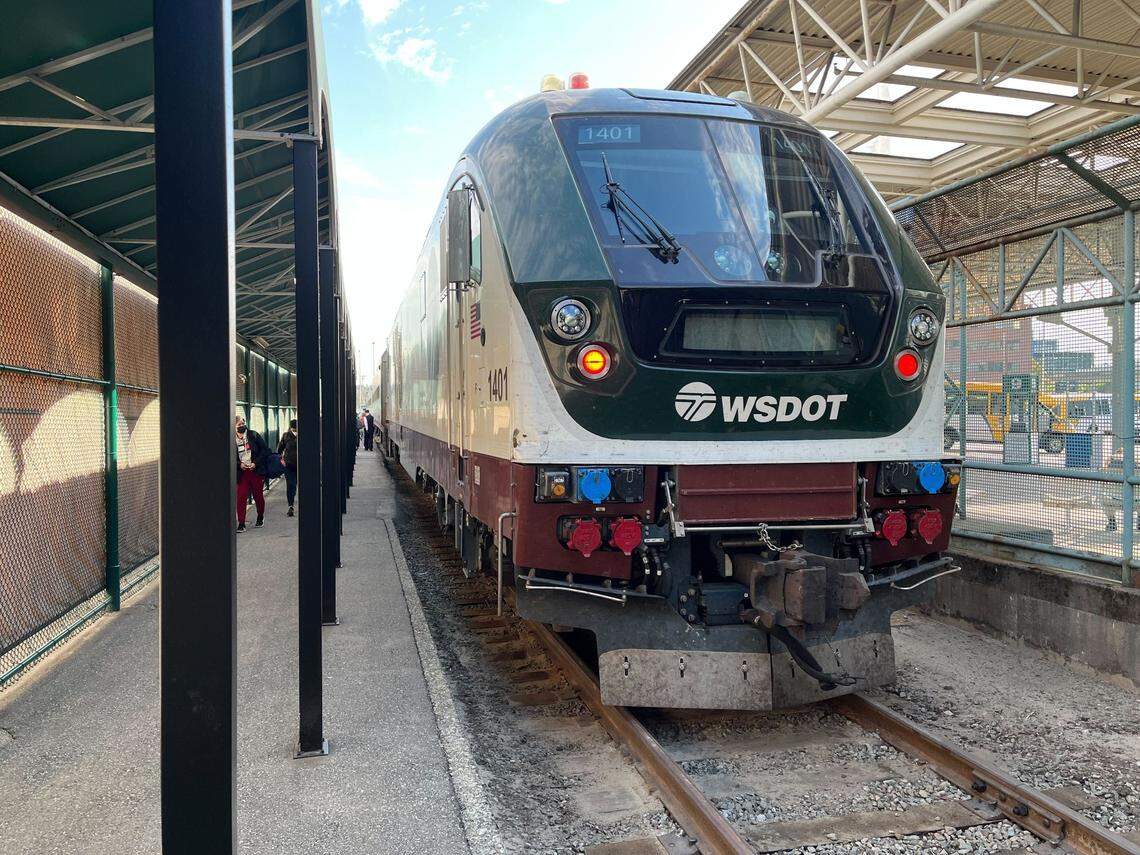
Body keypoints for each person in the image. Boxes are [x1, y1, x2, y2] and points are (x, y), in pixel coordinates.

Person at [234, 415, 268, 532]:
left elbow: (265, 450)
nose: (242, 426)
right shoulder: (231, 439)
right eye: (239, 425)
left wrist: (256, 463)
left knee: (258, 496)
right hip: (242, 473)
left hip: (255, 471)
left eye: (243, 424)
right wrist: (239, 464)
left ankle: (260, 516)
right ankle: (241, 523)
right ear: (234, 427)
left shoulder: (253, 435)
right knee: (241, 497)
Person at [278, 419, 298, 517]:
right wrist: (281, 460)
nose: (295, 430)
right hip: (289, 466)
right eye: (293, 428)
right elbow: (279, 450)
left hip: (303, 466)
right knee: (291, 485)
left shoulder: (305, 434)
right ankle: (291, 506)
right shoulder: (286, 436)